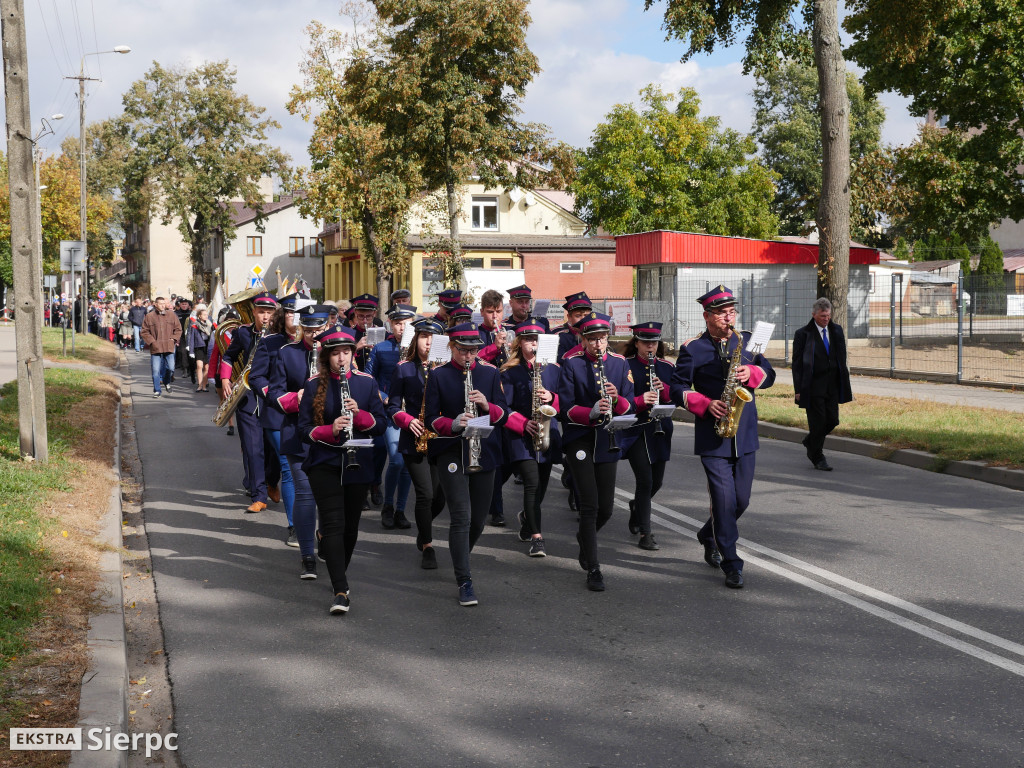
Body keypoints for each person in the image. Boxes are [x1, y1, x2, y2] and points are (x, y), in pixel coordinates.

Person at [669, 285, 776, 589]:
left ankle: (707, 534)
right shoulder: (693, 348)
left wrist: (751, 374)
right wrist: (704, 403)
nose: (729, 317)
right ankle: (731, 562)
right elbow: (677, 388)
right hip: (713, 435)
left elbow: (770, 377)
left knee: (740, 500)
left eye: (732, 311)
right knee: (724, 500)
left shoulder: (748, 342)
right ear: (707, 316)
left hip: (745, 433)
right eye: (721, 312)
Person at [297, 325, 388, 614]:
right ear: (327, 357)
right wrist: (329, 429)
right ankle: (340, 589)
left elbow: (382, 424)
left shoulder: (366, 382)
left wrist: (360, 416)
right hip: (325, 462)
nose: (342, 358)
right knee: (334, 523)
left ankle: (339, 570)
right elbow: (304, 430)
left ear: (353, 354)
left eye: (346, 352)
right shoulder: (313, 384)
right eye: (336, 353)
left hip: (358, 461)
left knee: (350, 527)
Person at [424, 322, 509, 606]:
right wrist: (453, 423)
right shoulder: (438, 375)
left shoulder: (490, 372)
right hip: (451, 450)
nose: (469, 356)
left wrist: (486, 406)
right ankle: (465, 580)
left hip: (484, 450)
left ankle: (461, 555)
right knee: (461, 515)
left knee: (477, 520)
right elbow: (430, 420)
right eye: (462, 350)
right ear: (452, 347)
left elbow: (503, 414)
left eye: (473, 350)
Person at [558, 312, 634, 592]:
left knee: (606, 508)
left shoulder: (619, 363)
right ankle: (593, 566)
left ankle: (584, 537)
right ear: (583, 340)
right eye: (592, 339)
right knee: (588, 505)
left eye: (602, 338)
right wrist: (590, 411)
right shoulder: (572, 364)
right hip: (579, 438)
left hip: (607, 438)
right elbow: (564, 408)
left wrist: (618, 399)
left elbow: (631, 407)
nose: (598, 344)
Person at [269, 304, 332, 580]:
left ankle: (325, 540)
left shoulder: (338, 351)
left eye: (319, 330)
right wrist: (301, 397)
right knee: (305, 495)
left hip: (331, 433)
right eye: (308, 330)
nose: (314, 336)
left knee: (329, 497)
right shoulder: (287, 353)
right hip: (298, 433)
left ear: (327, 327)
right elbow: (275, 394)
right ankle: (307, 554)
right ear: (301, 328)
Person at [386, 316, 446, 569]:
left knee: (440, 499)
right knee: (425, 494)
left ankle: (423, 529)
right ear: (416, 339)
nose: (428, 342)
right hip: (414, 438)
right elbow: (391, 405)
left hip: (441, 438)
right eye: (423, 337)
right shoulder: (404, 368)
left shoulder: (445, 369)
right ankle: (428, 545)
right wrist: (407, 420)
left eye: (432, 338)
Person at [500, 318, 561, 557]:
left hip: (547, 433)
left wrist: (552, 398)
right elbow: (503, 408)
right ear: (520, 342)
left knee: (541, 489)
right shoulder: (510, 372)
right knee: (532, 485)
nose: (532, 344)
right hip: (521, 436)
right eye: (527, 339)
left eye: (536, 339)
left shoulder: (554, 368)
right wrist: (523, 423)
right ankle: (537, 537)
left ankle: (527, 517)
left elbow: (567, 399)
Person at [248, 294, 305, 541]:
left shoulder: (316, 343)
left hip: (311, 414)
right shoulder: (270, 342)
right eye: (291, 312)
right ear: (284, 316)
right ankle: (294, 526)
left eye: (301, 313)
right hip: (278, 414)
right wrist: (276, 396)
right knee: (289, 468)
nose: (296, 317)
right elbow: (256, 376)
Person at [220, 292, 278, 513]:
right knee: (253, 449)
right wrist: (225, 378)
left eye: (269, 312)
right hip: (248, 397)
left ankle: (272, 481)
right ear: (253, 312)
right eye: (261, 312)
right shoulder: (243, 333)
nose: (265, 316)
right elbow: (229, 356)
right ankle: (259, 495)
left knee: (274, 448)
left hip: (272, 396)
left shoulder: (280, 335)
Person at [619, 322, 674, 551]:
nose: (650, 346)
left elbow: (676, 398)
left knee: (657, 482)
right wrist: (642, 400)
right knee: (645, 480)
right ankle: (646, 533)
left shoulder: (667, 367)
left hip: (659, 428)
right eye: (645, 342)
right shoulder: (626, 366)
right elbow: (620, 401)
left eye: (654, 342)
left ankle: (636, 508)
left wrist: (665, 390)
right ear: (637, 342)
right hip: (636, 430)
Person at [366, 304, 417, 529]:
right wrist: (384, 396)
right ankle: (388, 505)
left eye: (406, 323)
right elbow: (368, 377)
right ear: (390, 325)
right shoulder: (381, 348)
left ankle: (400, 510)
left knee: (407, 463)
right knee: (396, 459)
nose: (402, 327)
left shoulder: (420, 348)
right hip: (390, 412)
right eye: (397, 323)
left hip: (413, 412)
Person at [792, 297, 852, 471]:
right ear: (814, 315)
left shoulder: (837, 331)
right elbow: (797, 365)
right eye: (822, 316)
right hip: (812, 386)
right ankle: (817, 456)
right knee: (818, 423)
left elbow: (841, 357)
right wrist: (798, 389)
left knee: (832, 420)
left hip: (832, 385)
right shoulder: (803, 334)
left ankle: (810, 441)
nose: (826, 319)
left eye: (828, 315)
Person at [140, 297, 182, 398]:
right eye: (161, 303)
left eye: (164, 303)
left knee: (171, 368)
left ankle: (167, 382)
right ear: (155, 304)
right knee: (155, 370)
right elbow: (144, 331)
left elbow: (178, 329)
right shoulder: (150, 316)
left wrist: (173, 339)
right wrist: (152, 342)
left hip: (169, 346)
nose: (163, 305)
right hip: (156, 347)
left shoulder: (171, 315)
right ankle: (157, 390)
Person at [186, 304, 214, 391]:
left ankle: (204, 386)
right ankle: (200, 385)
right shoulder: (195, 325)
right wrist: (191, 350)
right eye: (204, 315)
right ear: (199, 316)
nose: (206, 316)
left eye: (207, 315)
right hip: (199, 347)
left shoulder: (210, 325)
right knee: (199, 366)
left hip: (208, 347)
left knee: (206, 367)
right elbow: (192, 338)